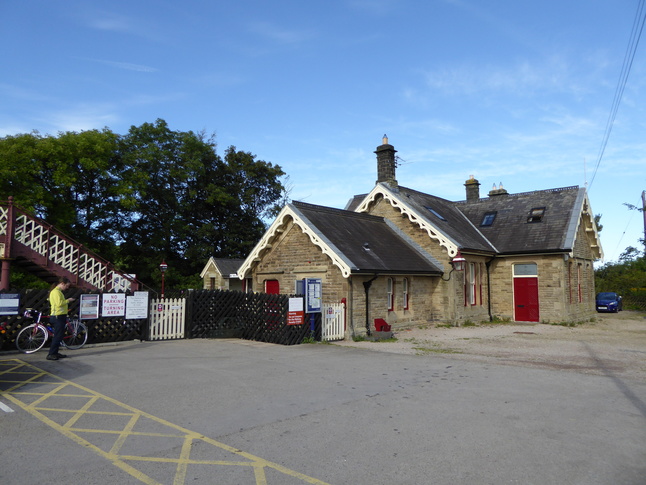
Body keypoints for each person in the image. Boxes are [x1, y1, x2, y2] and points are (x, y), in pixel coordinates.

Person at [47, 277, 75, 361]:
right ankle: (51, 354)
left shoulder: (58, 292)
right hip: (57, 316)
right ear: (62, 283)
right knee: (57, 336)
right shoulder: (56, 292)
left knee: (59, 336)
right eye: (66, 286)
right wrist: (68, 300)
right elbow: (59, 304)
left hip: (60, 316)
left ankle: (55, 352)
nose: (67, 288)